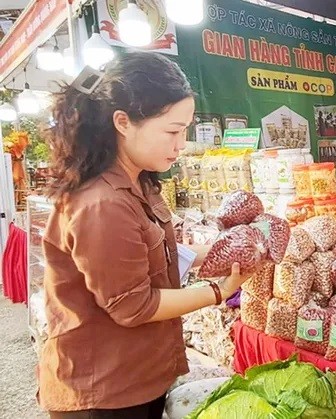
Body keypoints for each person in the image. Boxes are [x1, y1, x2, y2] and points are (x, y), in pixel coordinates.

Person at [39, 51, 245, 418]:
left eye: (186, 130)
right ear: (123, 122)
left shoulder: (139, 180)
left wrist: (209, 252)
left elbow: (143, 250)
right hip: (103, 391)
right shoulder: (101, 203)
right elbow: (132, 306)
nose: (181, 144)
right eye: (172, 131)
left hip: (136, 375)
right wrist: (219, 291)